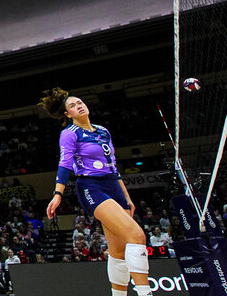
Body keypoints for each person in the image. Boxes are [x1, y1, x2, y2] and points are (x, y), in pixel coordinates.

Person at [41, 88, 154, 296]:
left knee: (118, 251)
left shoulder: (103, 130)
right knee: (137, 235)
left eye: (80, 102)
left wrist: (126, 197)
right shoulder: (69, 134)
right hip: (91, 187)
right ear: (67, 114)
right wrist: (58, 194)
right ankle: (146, 293)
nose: (79, 105)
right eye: (72, 106)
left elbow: (113, 166)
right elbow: (65, 163)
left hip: (113, 185)